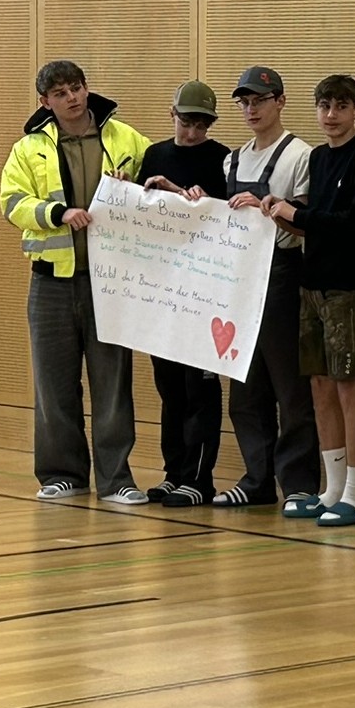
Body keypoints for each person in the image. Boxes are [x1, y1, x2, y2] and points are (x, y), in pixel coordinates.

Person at [0, 60, 150, 506]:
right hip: (50, 284)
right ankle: (64, 473)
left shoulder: (124, 137)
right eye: (61, 93)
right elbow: (12, 202)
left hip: (109, 281)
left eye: (77, 88)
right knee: (54, 383)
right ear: (45, 101)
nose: (73, 98)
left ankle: (116, 478)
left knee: (112, 383)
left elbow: (156, 180)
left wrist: (137, 185)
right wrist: (56, 214)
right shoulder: (28, 148)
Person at [266, 74, 355, 527]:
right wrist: (275, 213)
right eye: (323, 106)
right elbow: (310, 225)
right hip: (310, 284)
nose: (331, 115)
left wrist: (294, 212)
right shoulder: (317, 158)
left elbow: (354, 224)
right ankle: (332, 487)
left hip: (349, 288)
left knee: (346, 385)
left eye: (340, 106)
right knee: (318, 387)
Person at [216, 66, 319, 508]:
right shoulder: (231, 159)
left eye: (260, 99)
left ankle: (298, 484)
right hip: (238, 277)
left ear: (280, 101)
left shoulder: (301, 156)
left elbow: (307, 227)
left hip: (282, 274)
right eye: (244, 101)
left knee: (289, 385)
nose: (251, 108)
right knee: (245, 385)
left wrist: (269, 211)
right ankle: (257, 479)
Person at [139, 80, 229, 507]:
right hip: (162, 290)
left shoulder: (221, 159)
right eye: (185, 121)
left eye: (201, 124)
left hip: (203, 293)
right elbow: (140, 212)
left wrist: (192, 199)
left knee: (200, 389)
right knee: (170, 388)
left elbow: (231, 222)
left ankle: (200, 477)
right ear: (170, 114)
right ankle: (174, 472)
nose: (192, 132)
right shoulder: (155, 155)